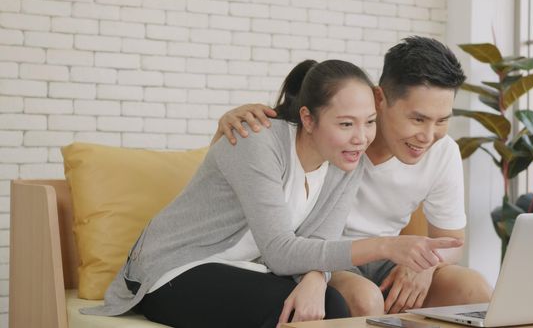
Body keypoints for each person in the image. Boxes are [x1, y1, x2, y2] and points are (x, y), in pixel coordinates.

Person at [82, 59, 463, 327]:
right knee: (287, 309)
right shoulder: (257, 143)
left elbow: (320, 241)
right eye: (346, 123)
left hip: (250, 267)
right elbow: (282, 252)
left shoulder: (344, 159)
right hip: (176, 268)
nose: (361, 136)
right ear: (309, 119)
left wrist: (317, 278)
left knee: (329, 303)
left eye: (368, 124)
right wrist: (385, 246)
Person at [213, 36, 494, 317]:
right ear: (379, 98)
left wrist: (424, 264)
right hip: (325, 257)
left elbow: (451, 241)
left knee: (474, 288)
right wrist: (227, 126)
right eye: (417, 119)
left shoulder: (442, 152)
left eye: (442, 120)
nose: (428, 136)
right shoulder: (337, 138)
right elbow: (256, 164)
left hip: (389, 258)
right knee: (365, 298)